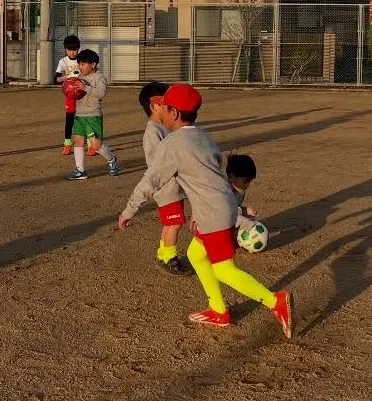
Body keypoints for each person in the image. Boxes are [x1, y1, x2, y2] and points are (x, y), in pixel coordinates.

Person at [118, 83, 293, 337]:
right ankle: (218, 310)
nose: (161, 113)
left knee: (223, 269)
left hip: (214, 213)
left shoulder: (172, 144)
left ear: (174, 113)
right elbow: (207, 179)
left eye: (165, 108)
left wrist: (128, 211)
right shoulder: (203, 136)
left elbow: (151, 181)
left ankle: (274, 301)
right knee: (196, 255)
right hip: (217, 208)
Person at [138, 82, 191, 276]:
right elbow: (157, 163)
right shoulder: (153, 131)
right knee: (175, 223)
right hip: (167, 187)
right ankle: (169, 258)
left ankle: (163, 253)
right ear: (154, 106)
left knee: (170, 222)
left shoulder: (165, 127)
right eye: (166, 103)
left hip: (174, 185)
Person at [68, 49, 120, 180]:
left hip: (93, 115)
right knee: (78, 141)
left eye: (83, 64)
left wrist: (85, 87)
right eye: (79, 64)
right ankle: (80, 170)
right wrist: (70, 89)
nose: (80, 66)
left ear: (93, 64)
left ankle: (112, 159)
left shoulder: (100, 77)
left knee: (96, 145)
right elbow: (75, 92)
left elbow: (101, 93)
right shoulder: (80, 77)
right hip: (79, 115)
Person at [55, 35, 83, 157]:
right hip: (70, 94)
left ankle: (90, 144)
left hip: (83, 93)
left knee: (85, 119)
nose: (72, 52)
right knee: (69, 120)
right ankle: (67, 144)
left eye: (75, 49)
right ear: (65, 49)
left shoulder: (82, 59)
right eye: (69, 49)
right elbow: (56, 79)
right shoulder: (63, 61)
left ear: (78, 49)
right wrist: (67, 77)